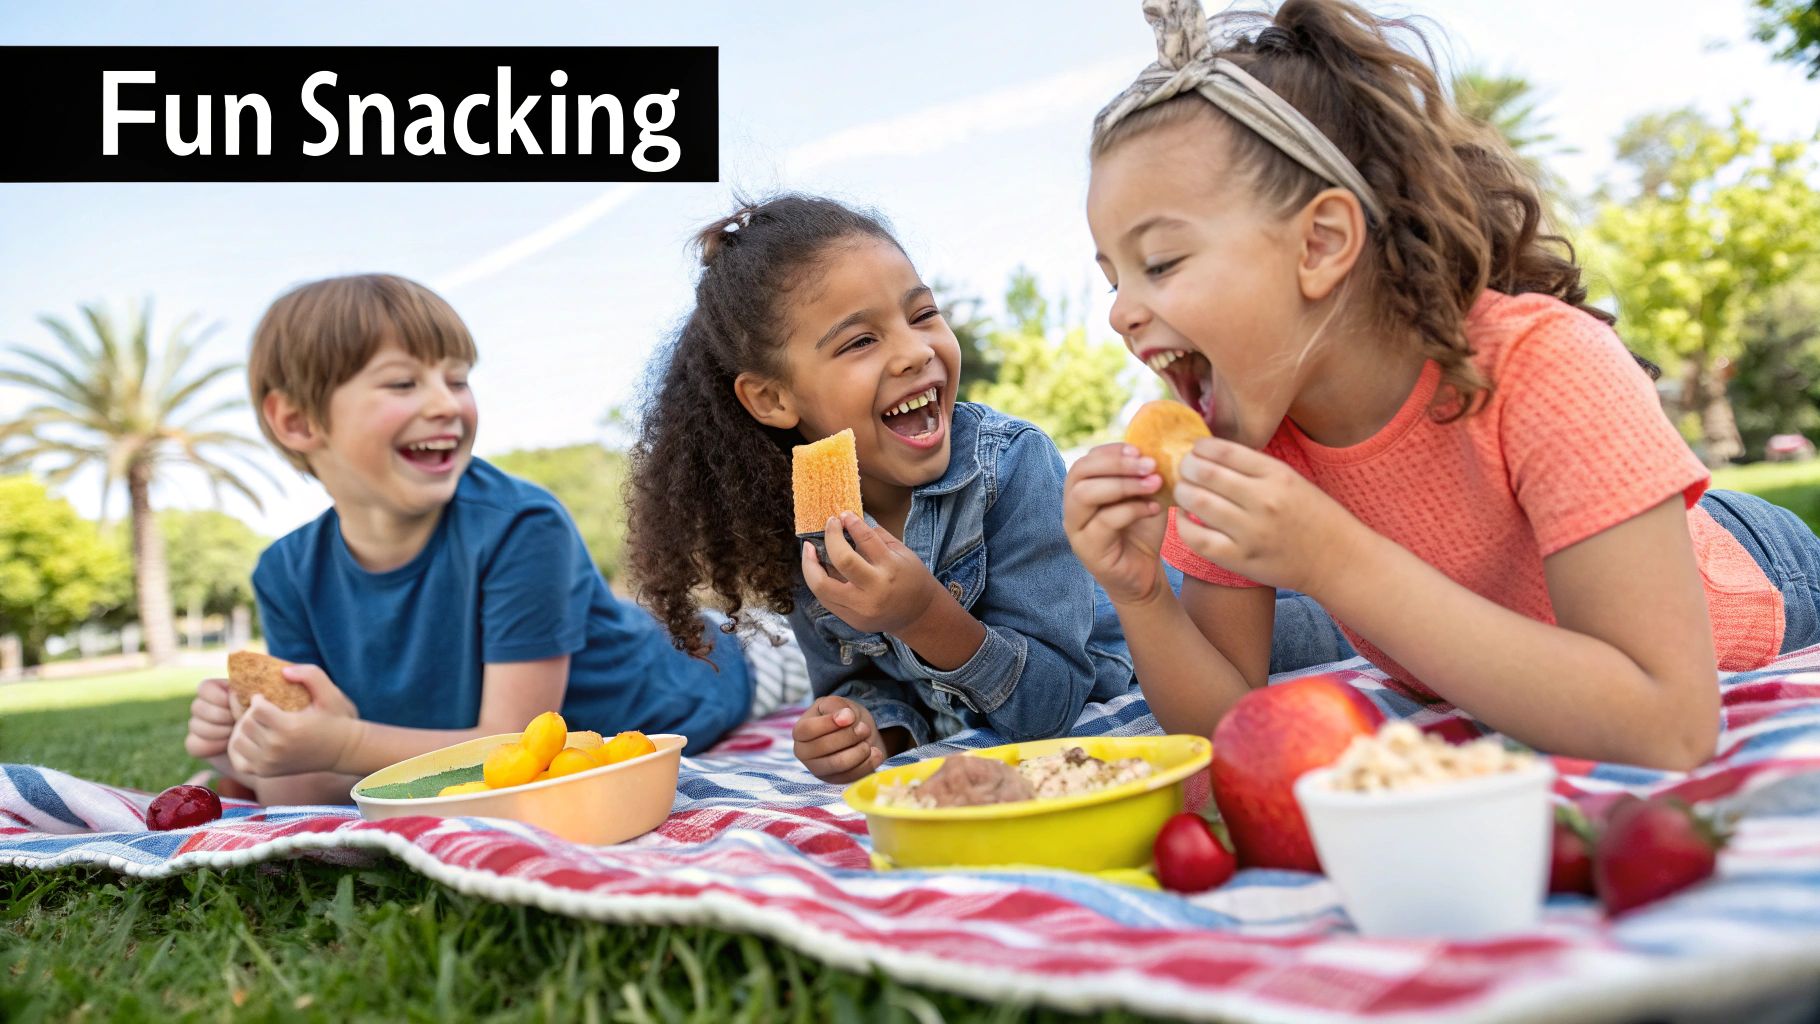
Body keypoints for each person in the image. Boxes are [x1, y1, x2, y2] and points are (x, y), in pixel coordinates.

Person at [1065, 0, 1820, 771]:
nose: (1123, 312)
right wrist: (1140, 597)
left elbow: (1669, 726)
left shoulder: (1541, 362)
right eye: (1112, 278)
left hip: (1752, 576)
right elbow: (1233, 730)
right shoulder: (1242, 429)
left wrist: (1333, 559)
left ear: (1320, 244)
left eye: (1159, 263)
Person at [183, 273, 803, 804]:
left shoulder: (519, 525)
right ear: (295, 421)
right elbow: (309, 794)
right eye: (403, 384)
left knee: (834, 649)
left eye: (456, 380)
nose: (446, 405)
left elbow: (512, 753)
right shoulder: (284, 574)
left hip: (703, 674)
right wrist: (253, 751)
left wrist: (344, 742)